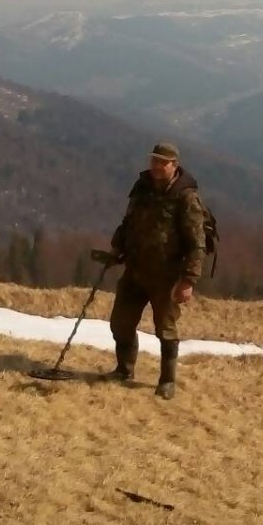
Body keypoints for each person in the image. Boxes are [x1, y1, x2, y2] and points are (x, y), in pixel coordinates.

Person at [101, 141, 206, 399]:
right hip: (135, 270)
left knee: (165, 329)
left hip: (167, 276)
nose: (157, 166)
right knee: (120, 323)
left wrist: (188, 280)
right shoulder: (142, 188)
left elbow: (197, 243)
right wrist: (116, 248)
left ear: (174, 165)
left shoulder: (186, 197)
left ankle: (167, 380)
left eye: (163, 162)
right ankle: (124, 370)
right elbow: (128, 223)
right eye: (154, 160)